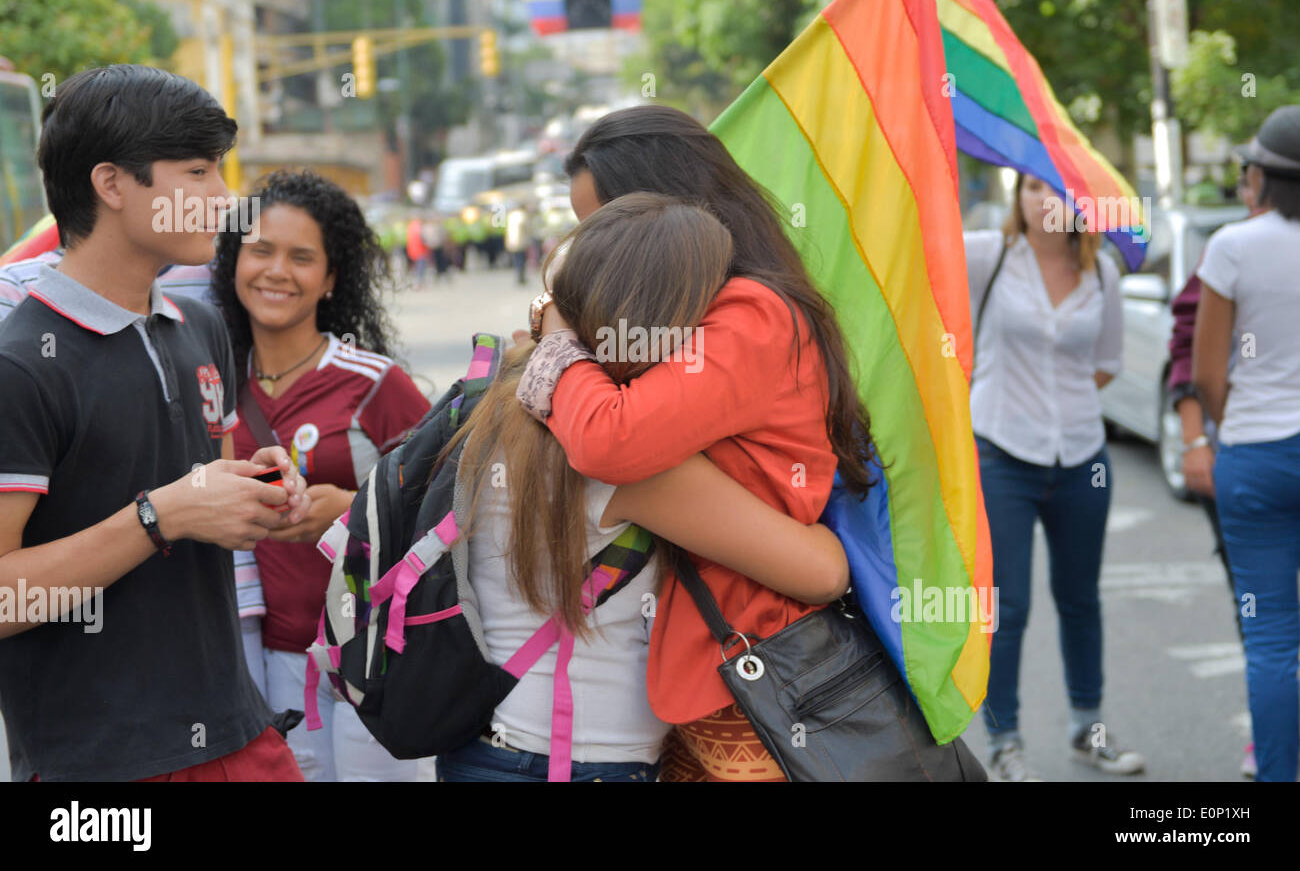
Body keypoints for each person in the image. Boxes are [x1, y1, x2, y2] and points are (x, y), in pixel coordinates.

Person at [517, 105, 879, 782]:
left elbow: (609, 439)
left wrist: (558, 345)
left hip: (757, 665)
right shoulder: (704, 314)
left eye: (599, 224)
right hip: (715, 666)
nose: (588, 248)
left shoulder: (751, 313)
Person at [438, 193, 849, 782]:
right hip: (586, 761)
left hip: (475, 749)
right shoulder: (636, 464)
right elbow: (821, 571)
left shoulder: (498, 399)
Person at [0, 64, 310, 782]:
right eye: (198, 172)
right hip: (102, 762)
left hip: (237, 728)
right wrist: (158, 516)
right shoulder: (21, 365)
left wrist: (264, 491)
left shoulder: (200, 326)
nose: (224, 199)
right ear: (111, 185)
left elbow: (212, 485)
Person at [211, 169, 432, 781]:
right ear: (233, 262)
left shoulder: (373, 383)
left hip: (374, 651)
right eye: (260, 251)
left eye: (301, 257)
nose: (277, 270)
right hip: (271, 656)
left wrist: (352, 509)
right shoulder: (212, 383)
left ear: (331, 279)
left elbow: (453, 505)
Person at [964, 172, 1142, 781]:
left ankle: (1089, 730)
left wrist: (1055, 404)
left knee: (1080, 600)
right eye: (1036, 186)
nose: (1048, 201)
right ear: (1017, 196)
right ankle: (1005, 743)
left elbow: (1107, 365)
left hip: (1082, 461)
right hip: (999, 454)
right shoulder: (986, 255)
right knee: (1007, 606)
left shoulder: (1104, 273)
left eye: (1063, 189)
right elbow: (913, 257)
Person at [1194, 105, 1300, 783]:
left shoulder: (1232, 245)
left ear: (1260, 176)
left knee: (1271, 640)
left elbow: (1206, 373)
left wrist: (1240, 425)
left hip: (1256, 457)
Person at [1167, 156, 1266, 778]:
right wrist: (1197, 441)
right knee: (1258, 605)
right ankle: (1271, 737)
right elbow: (1187, 347)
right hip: (1244, 456)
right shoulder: (1227, 252)